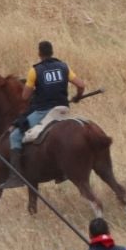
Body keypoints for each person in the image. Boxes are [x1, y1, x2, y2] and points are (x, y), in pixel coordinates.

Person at [9, 40, 86, 169]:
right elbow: (81, 85)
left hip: (43, 112)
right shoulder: (64, 67)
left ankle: (15, 174)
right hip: (63, 109)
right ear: (52, 52)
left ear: (39, 53)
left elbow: (25, 96)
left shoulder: (35, 71)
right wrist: (77, 97)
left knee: (15, 135)